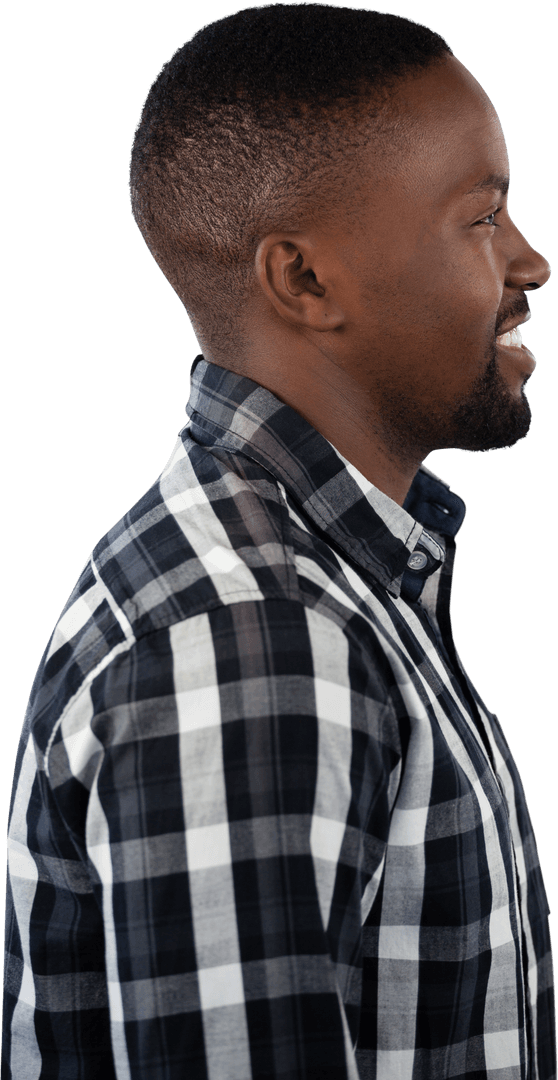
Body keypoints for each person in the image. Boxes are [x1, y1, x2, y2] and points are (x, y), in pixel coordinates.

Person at [2, 3, 554, 1077]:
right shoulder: (249, 636)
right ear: (305, 281)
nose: (530, 260)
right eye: (482, 217)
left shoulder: (328, 583)